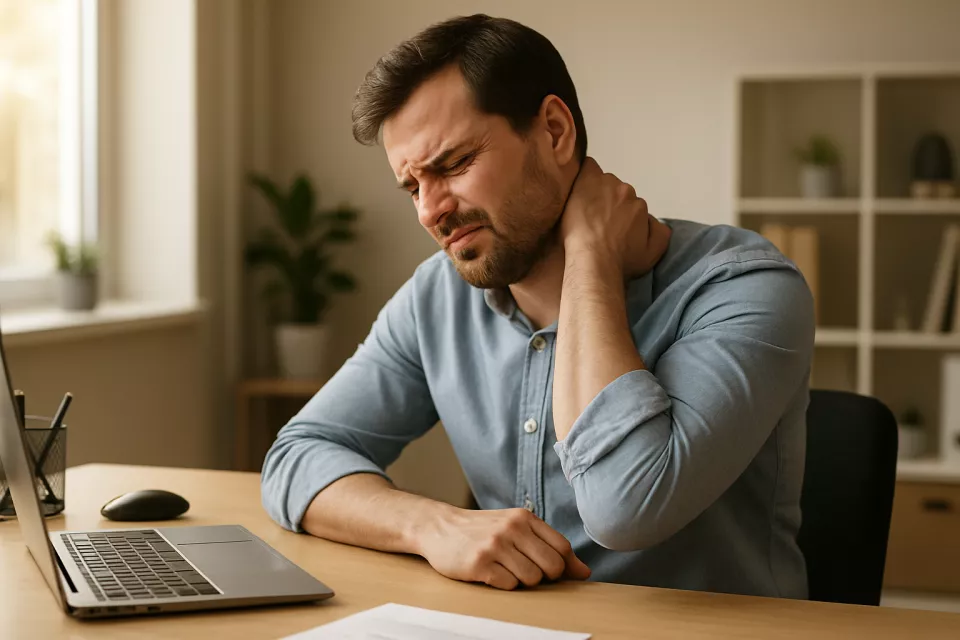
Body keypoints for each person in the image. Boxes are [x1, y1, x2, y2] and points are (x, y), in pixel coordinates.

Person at [261, 13, 814, 598]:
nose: (430, 211)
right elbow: (296, 457)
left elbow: (627, 508)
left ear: (554, 131)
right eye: (414, 187)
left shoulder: (745, 287)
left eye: (452, 165)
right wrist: (435, 526)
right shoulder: (436, 298)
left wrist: (590, 255)